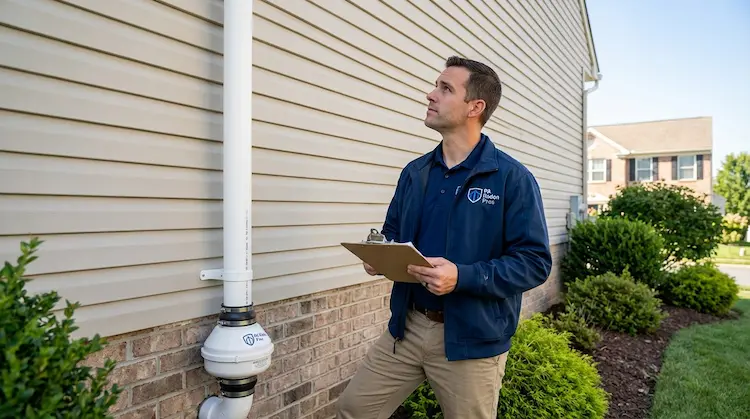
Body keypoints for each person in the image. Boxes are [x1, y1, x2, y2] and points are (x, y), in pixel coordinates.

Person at [335, 56, 552, 419]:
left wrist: (461, 276)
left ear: (475, 107)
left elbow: (534, 262)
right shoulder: (415, 173)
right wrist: (381, 256)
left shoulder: (511, 179)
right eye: (436, 86)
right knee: (354, 409)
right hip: (406, 329)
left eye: (445, 88)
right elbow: (392, 236)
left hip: (472, 338)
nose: (430, 94)